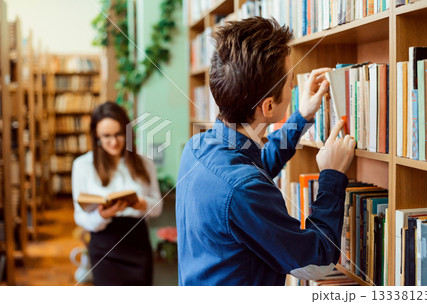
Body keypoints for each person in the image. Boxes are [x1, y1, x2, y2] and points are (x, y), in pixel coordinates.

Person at [176, 17, 356, 286]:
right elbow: (316, 265)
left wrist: (301, 116)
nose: (294, 85)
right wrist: (331, 176)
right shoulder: (243, 188)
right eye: (290, 81)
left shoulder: (197, 147)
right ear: (268, 107)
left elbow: (254, 169)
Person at [71, 101, 163, 286]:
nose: (113, 142)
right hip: (104, 245)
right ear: (96, 136)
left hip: (137, 242)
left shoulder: (145, 164)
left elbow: (158, 208)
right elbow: (79, 216)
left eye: (119, 134)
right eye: (106, 136)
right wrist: (100, 215)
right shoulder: (83, 165)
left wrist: (143, 205)